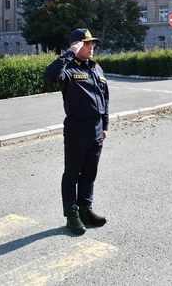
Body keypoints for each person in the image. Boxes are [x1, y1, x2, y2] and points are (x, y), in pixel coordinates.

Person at [44, 28, 110, 235]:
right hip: (77, 128)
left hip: (97, 129)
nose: (92, 47)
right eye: (87, 43)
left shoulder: (96, 68)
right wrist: (69, 53)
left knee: (90, 173)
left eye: (92, 43)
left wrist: (105, 125)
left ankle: (85, 210)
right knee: (72, 173)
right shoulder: (68, 68)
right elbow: (50, 75)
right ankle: (71, 215)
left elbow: (105, 97)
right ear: (76, 45)